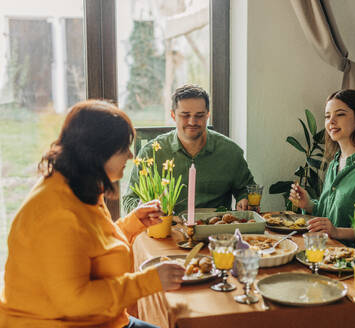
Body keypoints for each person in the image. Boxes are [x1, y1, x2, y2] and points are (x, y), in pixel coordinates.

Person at [0, 100, 185, 328]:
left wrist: (132, 224)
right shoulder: (55, 214)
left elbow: (91, 246)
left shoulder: (80, 186)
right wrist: (149, 281)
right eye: (122, 148)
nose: (130, 156)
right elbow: (75, 302)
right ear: (97, 153)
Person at [123, 84, 255, 215]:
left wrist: (244, 199)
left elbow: (247, 189)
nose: (192, 121)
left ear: (207, 115)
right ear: (173, 115)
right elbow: (129, 200)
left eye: (199, 115)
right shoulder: (151, 153)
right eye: (185, 115)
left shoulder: (230, 151)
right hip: (167, 229)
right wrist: (148, 209)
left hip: (216, 231)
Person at [290, 89, 355, 245]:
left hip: (353, 261)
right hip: (326, 252)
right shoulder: (334, 163)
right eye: (328, 116)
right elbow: (329, 216)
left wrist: (337, 232)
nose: (331, 121)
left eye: (340, 114)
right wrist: (308, 205)